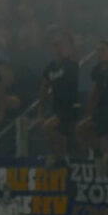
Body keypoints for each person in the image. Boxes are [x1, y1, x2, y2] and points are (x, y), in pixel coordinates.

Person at [76, 40, 108, 156]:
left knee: (104, 139)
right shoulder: (96, 70)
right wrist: (89, 114)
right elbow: (93, 94)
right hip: (99, 110)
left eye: (102, 50)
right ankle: (100, 153)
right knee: (80, 129)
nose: (100, 53)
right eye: (97, 50)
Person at [40, 32, 81, 160]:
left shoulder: (70, 63)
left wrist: (72, 40)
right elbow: (43, 87)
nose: (57, 48)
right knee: (54, 133)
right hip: (58, 107)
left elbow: (76, 54)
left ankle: (64, 156)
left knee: (49, 127)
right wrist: (40, 110)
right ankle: (62, 157)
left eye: (59, 45)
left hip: (72, 105)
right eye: (54, 45)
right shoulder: (50, 68)